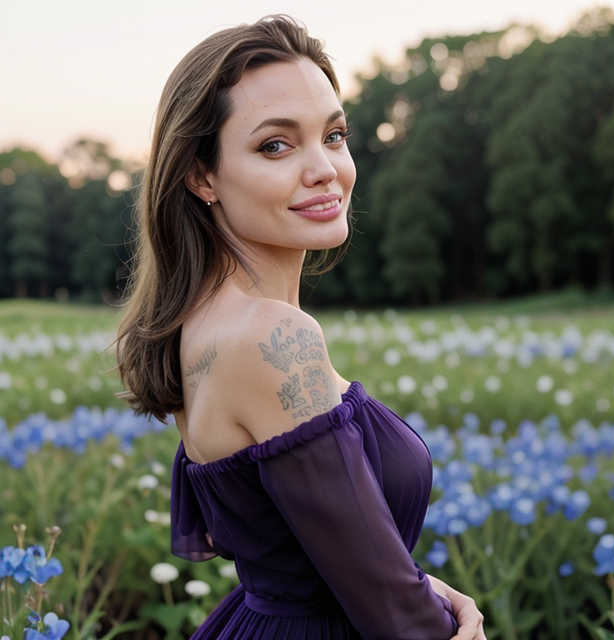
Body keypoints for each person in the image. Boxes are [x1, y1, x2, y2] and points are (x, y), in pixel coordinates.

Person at [116, 14, 485, 640]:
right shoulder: (270, 338)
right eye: (276, 146)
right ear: (200, 176)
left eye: (334, 136)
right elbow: (396, 620)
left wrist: (415, 583)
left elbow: (297, 549)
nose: (325, 170)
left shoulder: (201, 326)